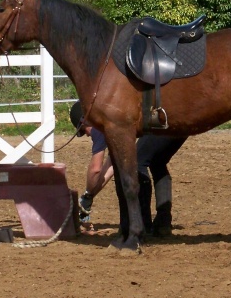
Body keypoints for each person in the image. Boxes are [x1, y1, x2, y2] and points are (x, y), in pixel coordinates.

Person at [69, 100, 186, 236]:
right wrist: (89, 196)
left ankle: (143, 224)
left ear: (85, 120)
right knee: (157, 162)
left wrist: (88, 196)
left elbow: (96, 169)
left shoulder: (98, 125)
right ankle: (163, 223)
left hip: (165, 121)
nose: (88, 135)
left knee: (138, 161)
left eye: (84, 130)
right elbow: (112, 165)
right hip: (175, 118)